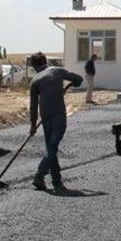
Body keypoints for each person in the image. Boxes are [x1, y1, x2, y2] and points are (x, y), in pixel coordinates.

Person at [28, 52, 83, 191]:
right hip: (58, 116)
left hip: (45, 117)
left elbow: (33, 106)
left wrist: (33, 126)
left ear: (34, 66)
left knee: (51, 149)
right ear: (45, 61)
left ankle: (56, 181)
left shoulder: (35, 80)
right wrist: (68, 85)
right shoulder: (57, 71)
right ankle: (39, 176)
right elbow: (79, 79)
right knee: (52, 149)